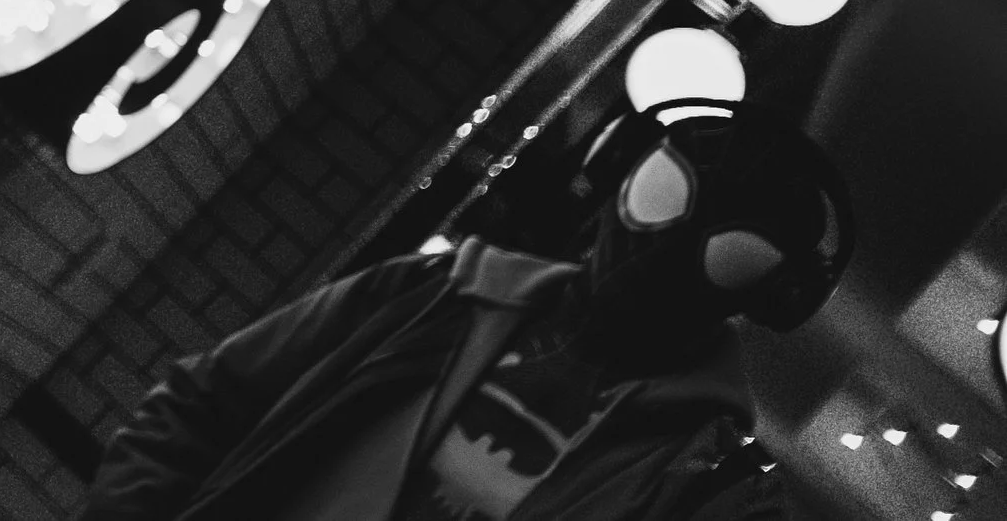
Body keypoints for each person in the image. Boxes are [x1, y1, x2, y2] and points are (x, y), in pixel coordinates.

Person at [83, 102, 853, 521]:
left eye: (724, 250)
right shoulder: (436, 293)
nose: (658, 253)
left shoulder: (706, 484)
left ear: (769, 293)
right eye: (663, 197)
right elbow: (203, 400)